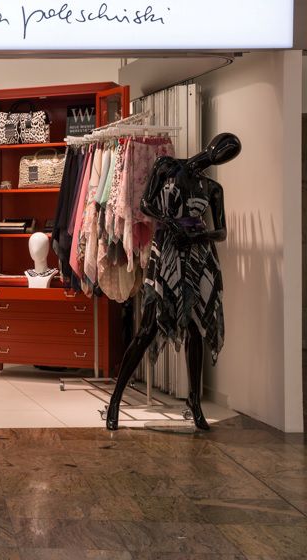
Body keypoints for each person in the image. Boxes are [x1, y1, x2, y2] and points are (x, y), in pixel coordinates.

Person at [105, 133, 240, 431]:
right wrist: (171, 223)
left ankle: (194, 402)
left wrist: (198, 234)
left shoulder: (213, 188)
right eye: (223, 149)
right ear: (213, 145)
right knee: (148, 328)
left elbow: (221, 232)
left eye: (228, 155)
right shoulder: (166, 166)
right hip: (166, 251)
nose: (222, 156)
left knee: (195, 328)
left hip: (198, 256)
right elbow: (146, 204)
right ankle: (116, 399)